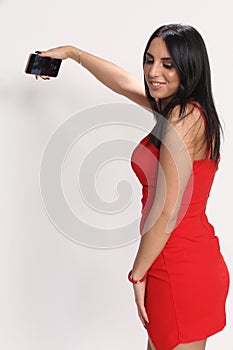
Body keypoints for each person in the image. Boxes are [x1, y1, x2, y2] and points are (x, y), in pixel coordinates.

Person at [36, 24, 230, 350]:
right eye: (149, 60)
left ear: (190, 67)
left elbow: (167, 212)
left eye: (167, 64)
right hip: (178, 259)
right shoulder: (180, 110)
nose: (154, 72)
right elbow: (124, 84)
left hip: (179, 267)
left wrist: (137, 274)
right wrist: (73, 53)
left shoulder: (184, 120)